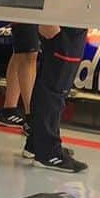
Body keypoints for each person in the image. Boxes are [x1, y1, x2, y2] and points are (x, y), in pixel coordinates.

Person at [23, 24, 87, 173]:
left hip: (73, 21)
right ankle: (48, 152)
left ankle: (37, 143)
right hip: (65, 24)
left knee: (53, 83)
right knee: (56, 85)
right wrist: (47, 21)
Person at [0, 23, 39, 129]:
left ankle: (9, 109)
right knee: (28, 54)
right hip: (30, 11)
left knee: (21, 53)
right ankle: (31, 118)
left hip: (32, 12)